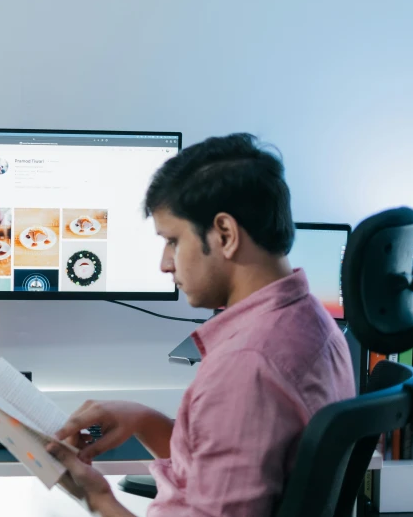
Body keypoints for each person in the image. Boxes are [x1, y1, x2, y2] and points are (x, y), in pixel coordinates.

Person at [46, 133, 356, 516]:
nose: (165, 263)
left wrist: (97, 499)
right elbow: (228, 462)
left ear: (225, 234)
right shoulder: (312, 319)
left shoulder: (247, 366)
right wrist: (143, 419)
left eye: (173, 241)